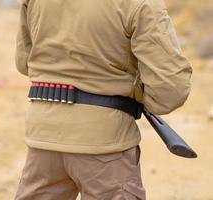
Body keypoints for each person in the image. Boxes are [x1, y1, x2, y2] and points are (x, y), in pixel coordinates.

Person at [14, 0, 192, 199]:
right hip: (105, 143)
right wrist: (137, 97)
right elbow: (171, 90)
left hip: (43, 135)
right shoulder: (141, 3)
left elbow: (24, 61)